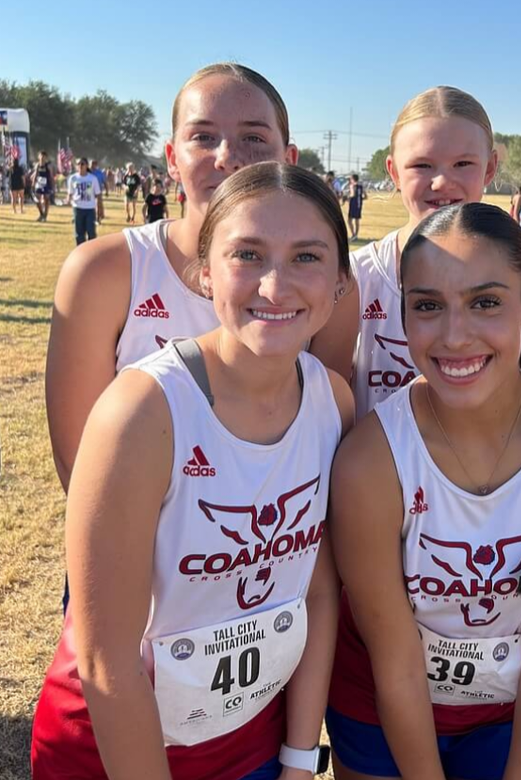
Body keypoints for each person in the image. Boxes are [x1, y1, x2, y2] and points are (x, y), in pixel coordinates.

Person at [32, 161, 354, 780]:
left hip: (251, 742)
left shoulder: (332, 401)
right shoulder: (141, 411)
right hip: (111, 745)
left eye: (307, 258)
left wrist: (298, 759)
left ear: (341, 280)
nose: (276, 285)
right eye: (248, 255)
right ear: (204, 274)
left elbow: (314, 590)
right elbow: (107, 661)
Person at [327, 202, 521, 780]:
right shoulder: (370, 460)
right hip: (378, 707)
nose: (454, 337)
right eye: (428, 307)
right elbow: (396, 662)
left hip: (506, 712)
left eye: (485, 302)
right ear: (403, 314)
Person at [46, 62, 299, 503]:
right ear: (172, 158)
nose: (227, 157)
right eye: (202, 136)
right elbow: (82, 467)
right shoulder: (104, 271)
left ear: (288, 159)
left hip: (266, 558)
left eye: (254, 138)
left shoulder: (317, 282)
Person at [309, 86, 498, 418]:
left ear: (490, 168)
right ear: (394, 171)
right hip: (371, 467)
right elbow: (325, 404)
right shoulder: (358, 275)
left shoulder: (512, 274)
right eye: (422, 165)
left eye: (463, 163)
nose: (441, 181)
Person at [67, 158, 102, 245]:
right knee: (79, 233)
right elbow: (70, 193)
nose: (80, 166)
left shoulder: (92, 179)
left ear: (86, 166)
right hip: (78, 208)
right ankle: (80, 251)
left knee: (91, 232)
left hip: (89, 209)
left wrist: (100, 209)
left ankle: (92, 251)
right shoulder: (73, 178)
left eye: (82, 164)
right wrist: (68, 200)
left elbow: (98, 195)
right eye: (78, 164)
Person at [32, 150, 54, 222]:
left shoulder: (48, 165)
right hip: (39, 184)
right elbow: (35, 174)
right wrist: (33, 183)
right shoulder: (37, 165)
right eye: (41, 156)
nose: (42, 157)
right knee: (37, 199)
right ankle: (41, 214)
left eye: (44, 156)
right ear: (38, 157)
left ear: (46, 157)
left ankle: (45, 215)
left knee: (46, 200)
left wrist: (52, 186)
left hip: (47, 184)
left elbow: (51, 176)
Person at [346, 173, 366, 240]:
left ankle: (353, 234)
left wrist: (347, 197)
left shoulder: (352, 186)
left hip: (353, 204)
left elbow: (353, 194)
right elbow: (365, 196)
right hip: (359, 204)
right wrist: (360, 198)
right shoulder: (361, 186)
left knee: (349, 220)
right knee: (357, 220)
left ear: (353, 179)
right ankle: (356, 235)